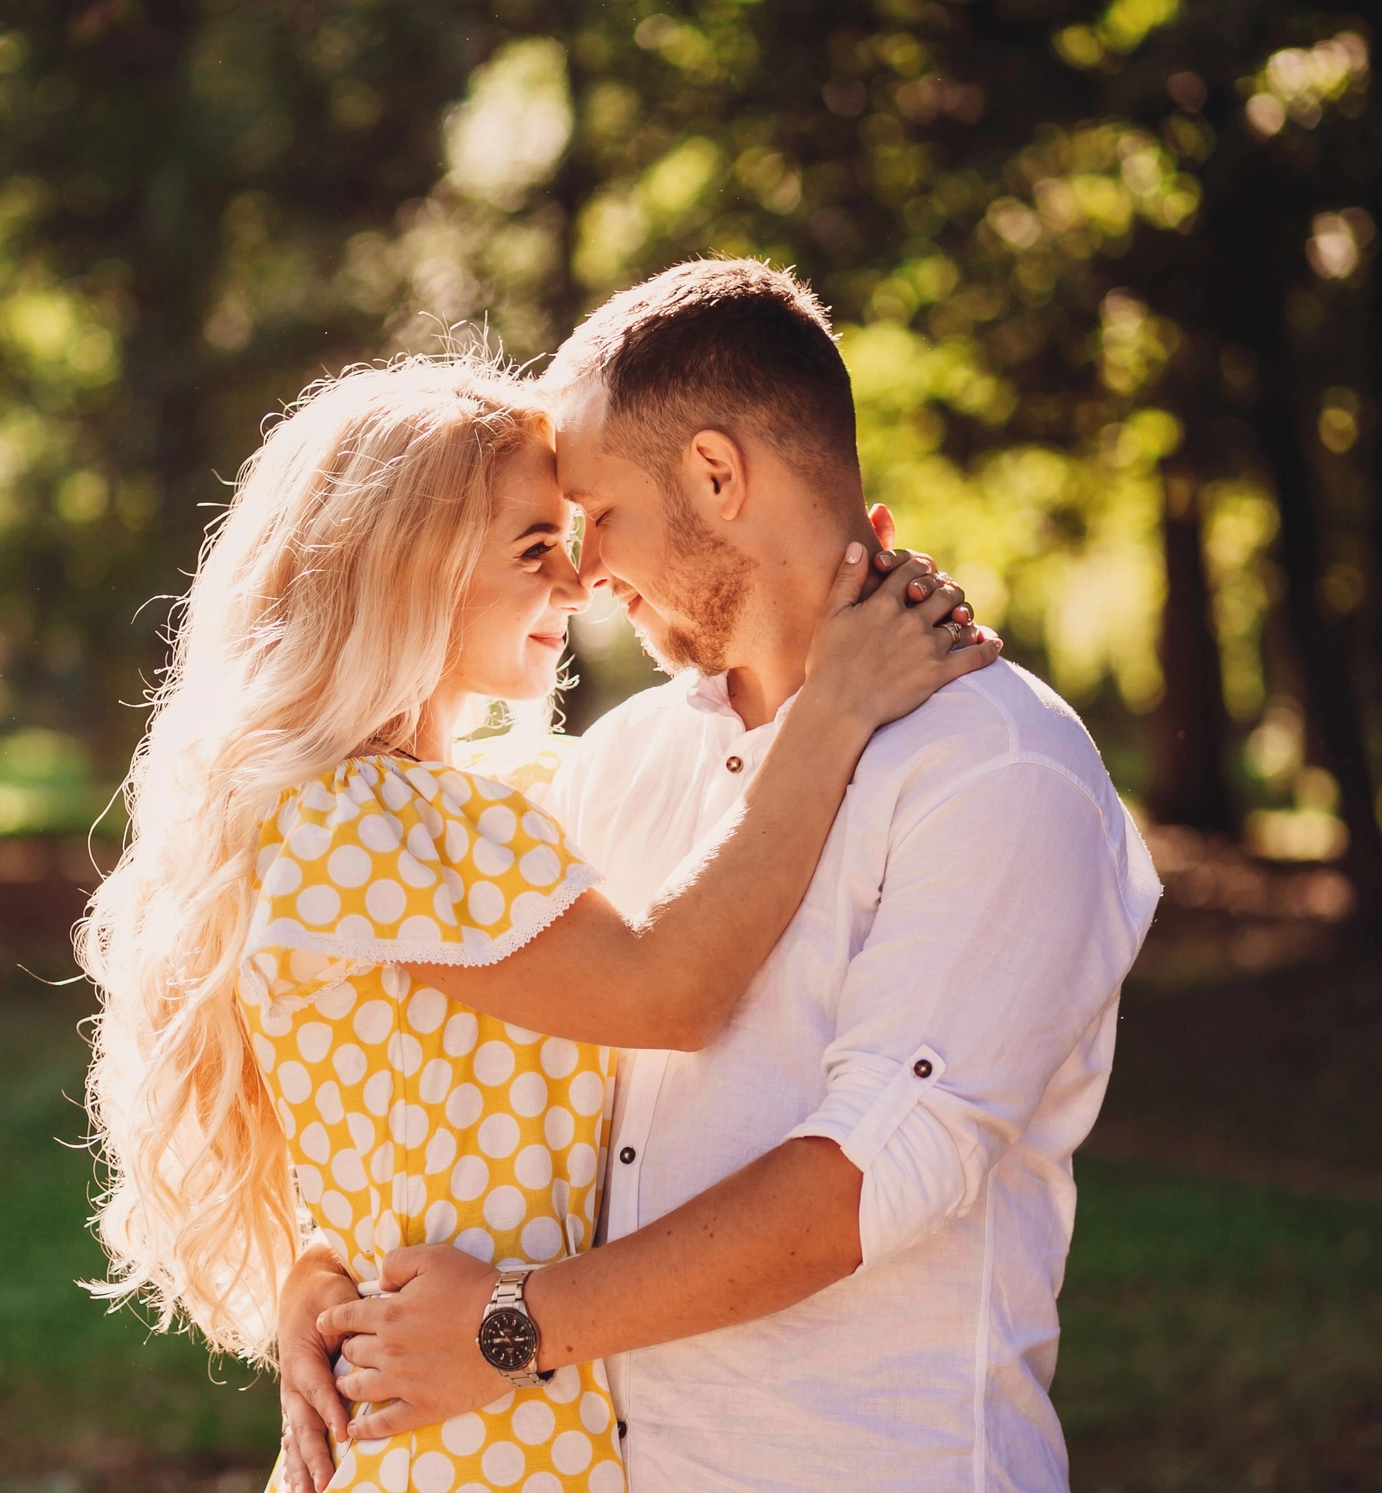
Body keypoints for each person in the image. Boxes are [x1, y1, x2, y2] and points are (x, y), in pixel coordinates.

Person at [273, 260, 1164, 1493]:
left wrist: (509, 1327)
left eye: (594, 515)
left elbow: (863, 1178)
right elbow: (454, 1076)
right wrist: (322, 1279)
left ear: (713, 474)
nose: (579, 576)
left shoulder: (998, 767)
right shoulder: (623, 763)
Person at [76, 352, 998, 1493]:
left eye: (572, 534)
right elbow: (665, 990)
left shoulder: (489, 799)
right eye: (531, 548)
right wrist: (839, 705)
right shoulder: (346, 818)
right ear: (399, 573)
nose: (574, 581)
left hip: (524, 1428)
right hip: (460, 1445)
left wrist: (319, 1270)